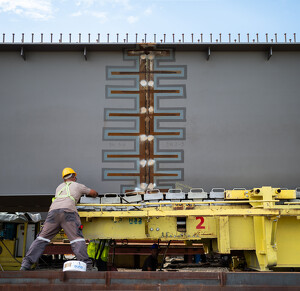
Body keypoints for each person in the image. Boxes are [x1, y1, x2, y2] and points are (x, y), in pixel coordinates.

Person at [20, 167, 98, 271]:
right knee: (76, 239)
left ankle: (26, 265)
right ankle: (87, 266)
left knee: (42, 239)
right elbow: (93, 193)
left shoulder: (59, 187)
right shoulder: (78, 186)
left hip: (53, 213)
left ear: (64, 179)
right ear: (74, 177)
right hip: (68, 213)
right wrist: (95, 194)